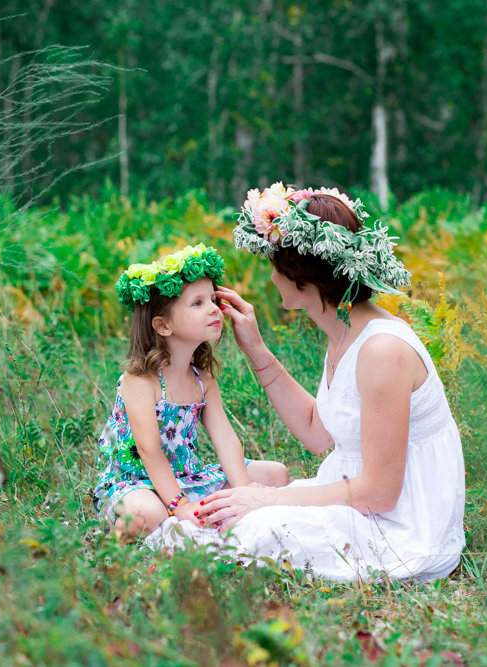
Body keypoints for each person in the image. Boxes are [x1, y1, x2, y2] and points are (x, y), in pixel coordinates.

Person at [147, 185, 466, 582]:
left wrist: (271, 499)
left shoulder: (382, 350)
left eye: (275, 266)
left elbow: (381, 492)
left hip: (401, 524)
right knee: (230, 520)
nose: (270, 276)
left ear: (302, 280)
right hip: (358, 498)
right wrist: (257, 350)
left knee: (252, 528)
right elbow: (318, 434)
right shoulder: (347, 330)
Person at [92, 243, 290, 539]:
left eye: (212, 299)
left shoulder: (202, 379)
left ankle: (210, 512)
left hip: (186, 477)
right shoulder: (140, 381)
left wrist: (244, 490)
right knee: (147, 514)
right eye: (197, 303)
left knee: (276, 474)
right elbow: (149, 451)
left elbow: (224, 437)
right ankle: (109, 547)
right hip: (136, 483)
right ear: (162, 326)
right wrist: (181, 505)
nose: (213, 308)